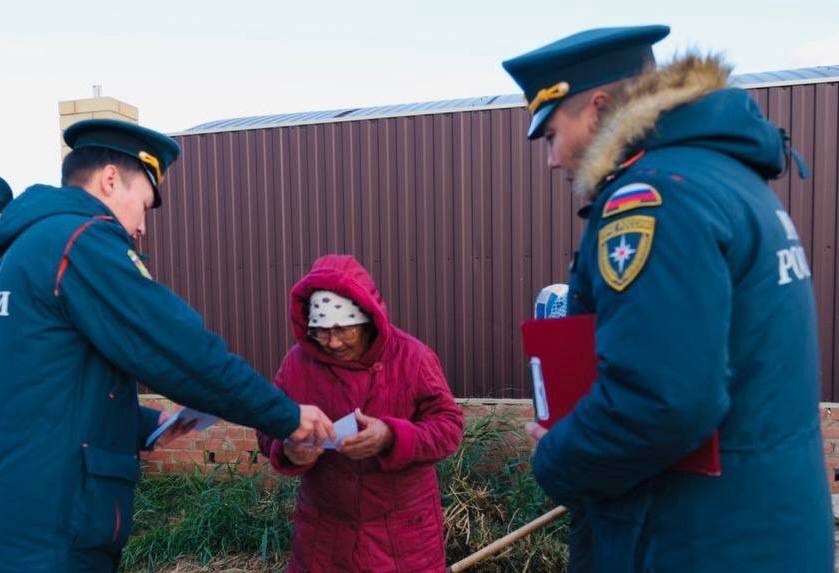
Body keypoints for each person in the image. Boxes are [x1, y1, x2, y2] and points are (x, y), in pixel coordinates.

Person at [503, 25, 834, 572]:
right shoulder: (729, 180)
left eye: (551, 133)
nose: (552, 160)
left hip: (692, 539)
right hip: (758, 531)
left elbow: (662, 402)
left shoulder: (654, 199)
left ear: (599, 107)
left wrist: (556, 459)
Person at [0, 119, 334, 573]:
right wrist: (286, 417)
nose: (141, 227)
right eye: (144, 204)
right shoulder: (81, 241)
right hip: (56, 530)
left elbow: (34, 390)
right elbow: (181, 351)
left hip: (23, 517)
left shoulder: (23, 251)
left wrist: (139, 423)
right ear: (110, 179)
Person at [257, 254, 464, 572]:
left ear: (368, 318)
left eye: (343, 330)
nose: (333, 342)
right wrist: (286, 449)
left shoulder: (413, 357)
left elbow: (449, 427)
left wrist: (392, 437)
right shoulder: (298, 363)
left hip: (404, 535)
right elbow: (268, 425)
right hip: (323, 535)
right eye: (321, 331)